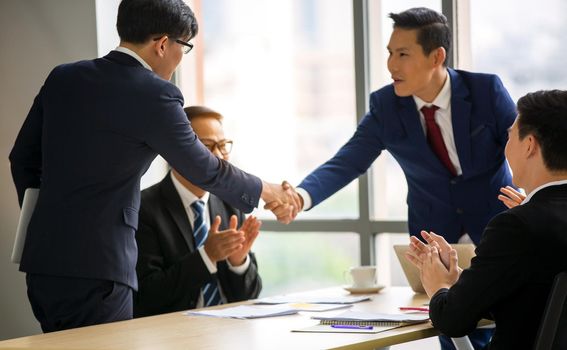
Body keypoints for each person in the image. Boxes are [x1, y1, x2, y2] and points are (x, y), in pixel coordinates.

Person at [8, 0, 298, 332]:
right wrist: (268, 190)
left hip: (43, 264)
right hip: (100, 270)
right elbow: (205, 168)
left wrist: (47, 218)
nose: (179, 60)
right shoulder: (155, 94)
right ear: (163, 44)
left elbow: (22, 159)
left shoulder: (64, 77)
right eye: (184, 48)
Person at [278, 7, 516, 349]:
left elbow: (528, 149)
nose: (391, 65)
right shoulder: (386, 106)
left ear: (437, 56)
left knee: (506, 328)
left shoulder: (485, 91)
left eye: (403, 54)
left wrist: (537, 205)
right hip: (435, 239)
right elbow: (347, 161)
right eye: (390, 53)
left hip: (496, 231)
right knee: (451, 330)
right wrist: (299, 197)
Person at [407, 89, 567, 350]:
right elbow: (538, 301)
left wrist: (438, 286)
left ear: (529, 145)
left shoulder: (517, 226)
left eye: (510, 136)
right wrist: (462, 282)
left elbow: (452, 320)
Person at [134, 106, 262, 317]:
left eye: (223, 146)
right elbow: (147, 297)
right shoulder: (143, 209)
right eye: (206, 147)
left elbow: (250, 297)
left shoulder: (232, 205)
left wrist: (238, 263)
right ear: (172, 153)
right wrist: (207, 256)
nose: (219, 157)